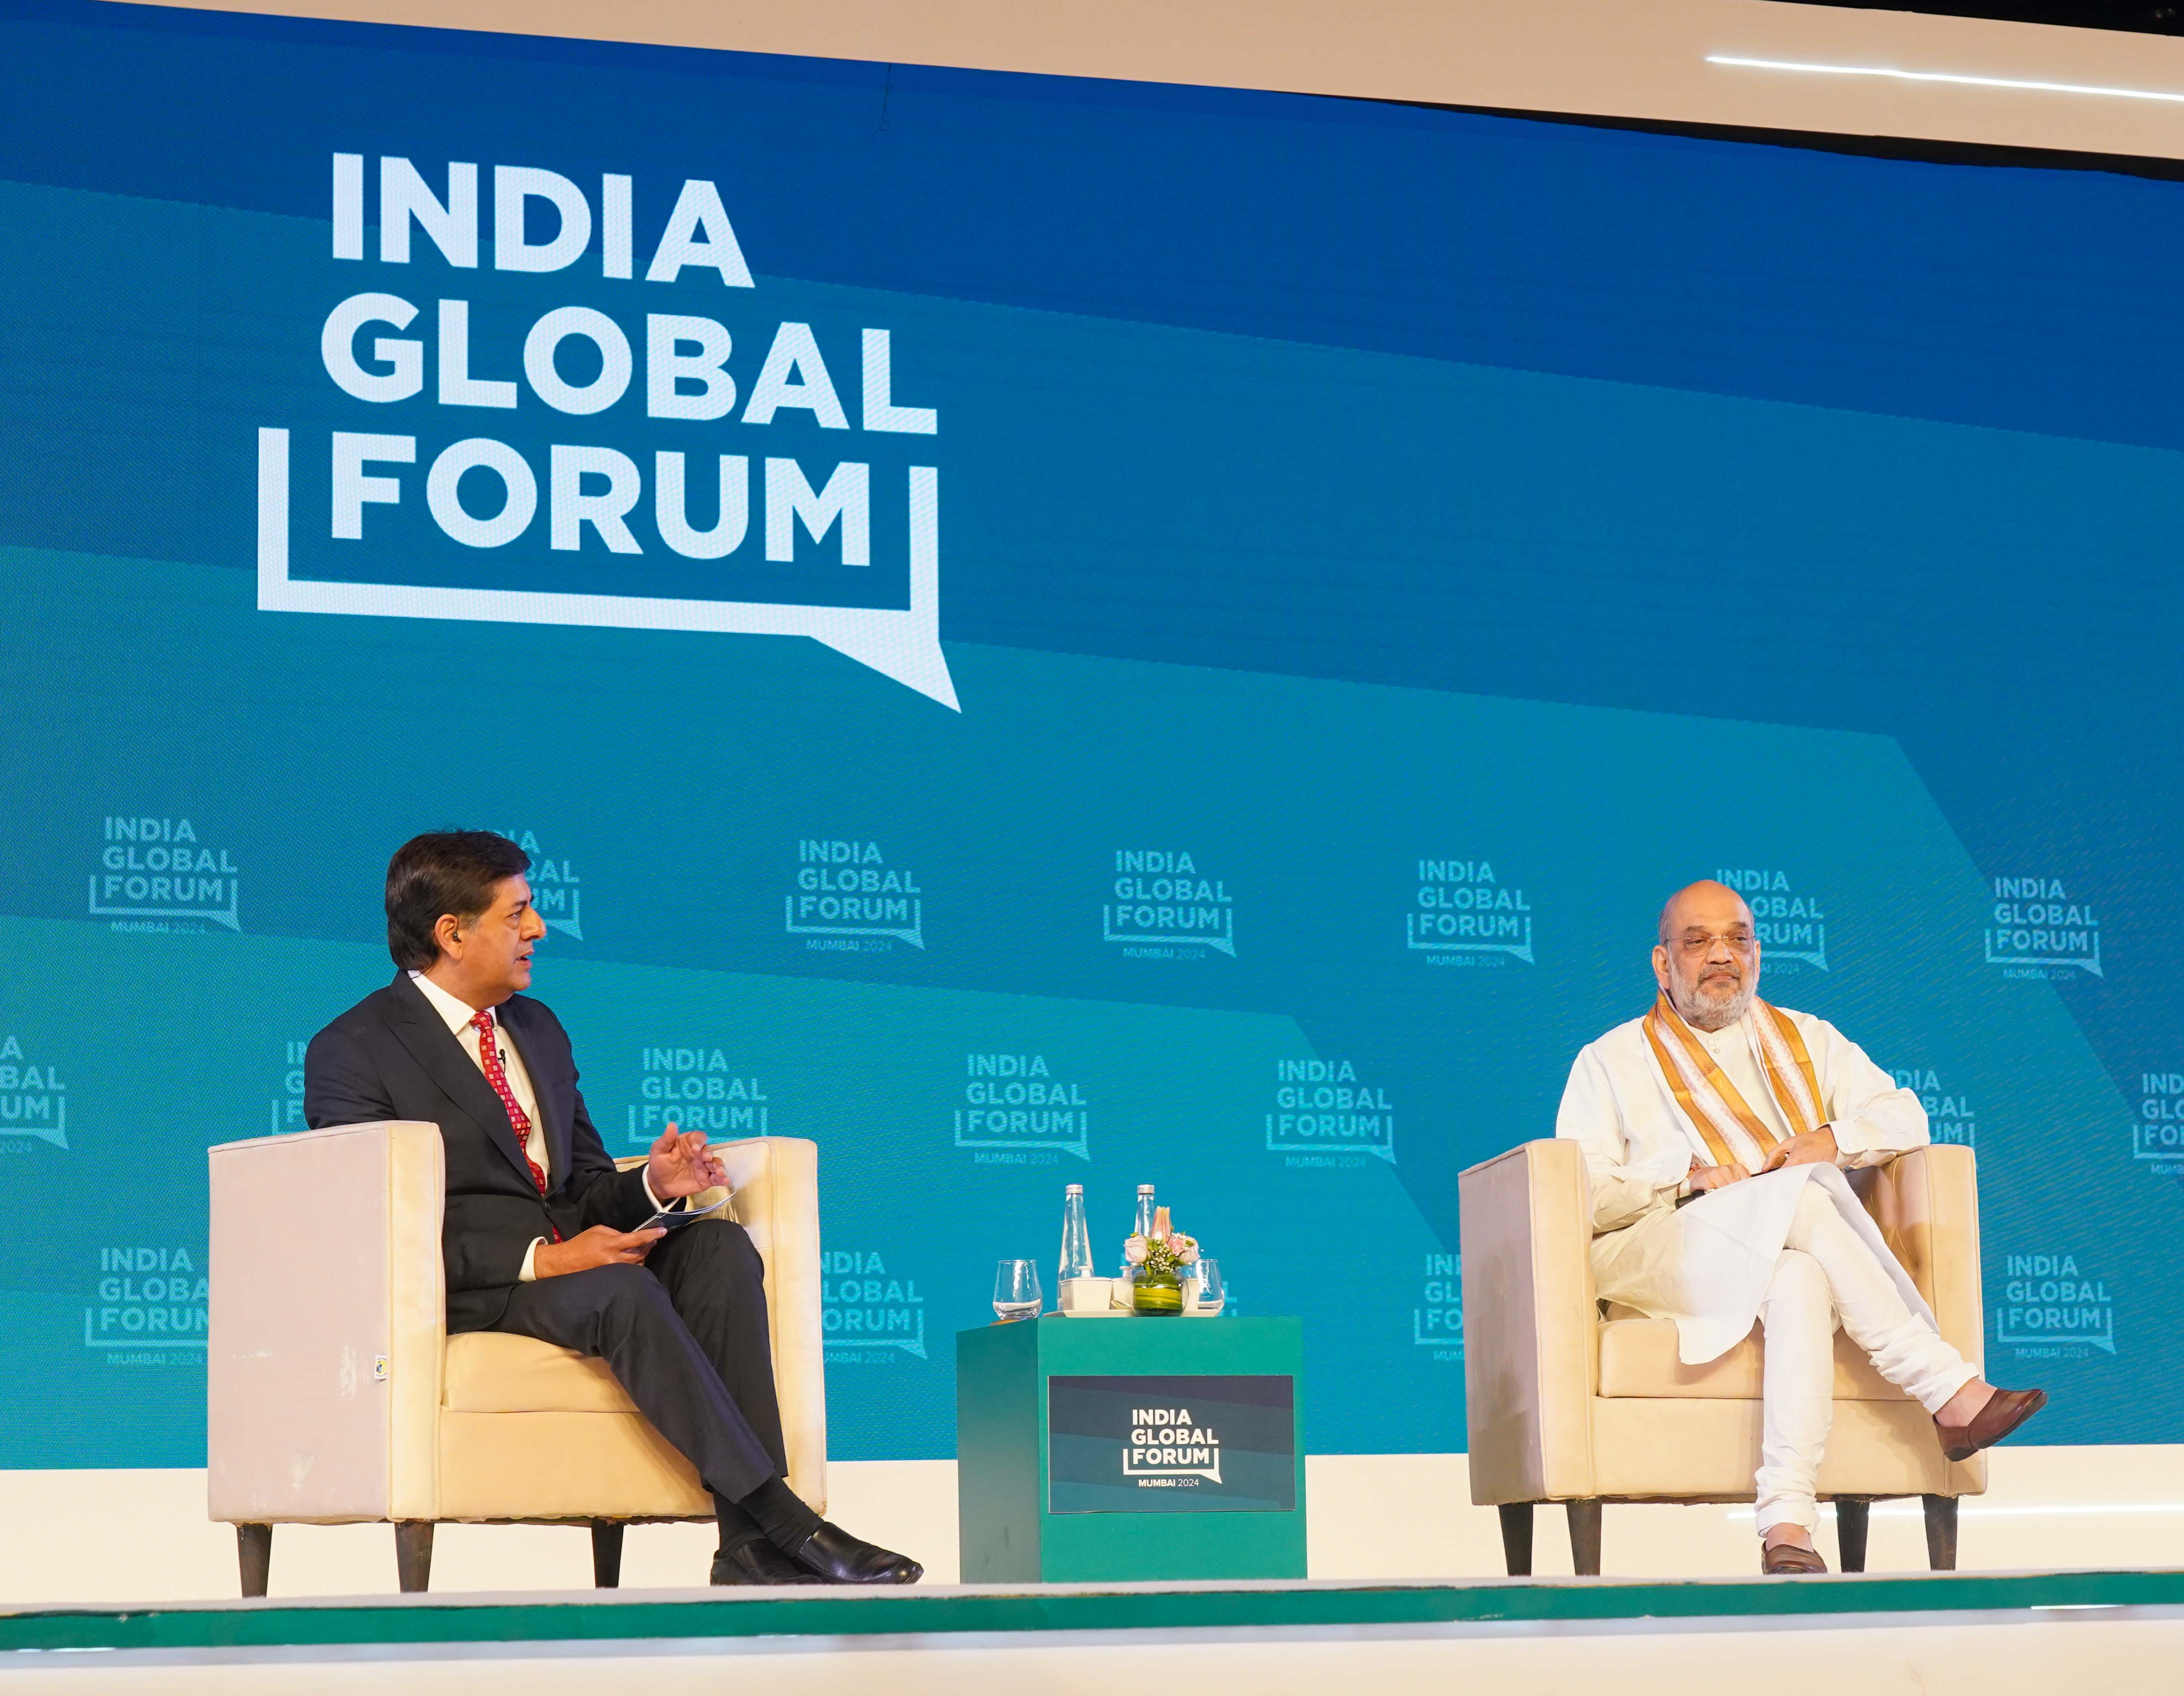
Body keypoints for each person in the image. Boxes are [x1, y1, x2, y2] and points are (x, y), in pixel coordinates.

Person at [304, 830, 920, 1587]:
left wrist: (656, 1185)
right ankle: (788, 1523)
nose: (538, 929)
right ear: (452, 934)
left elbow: (585, 1187)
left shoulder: (537, 1028)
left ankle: (743, 1546)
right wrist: (545, 1260)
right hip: (472, 1289)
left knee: (719, 1248)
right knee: (619, 1292)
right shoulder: (355, 1048)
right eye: (517, 914)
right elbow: (375, 1227)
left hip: (577, 1269)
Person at [1555, 879, 2046, 1575]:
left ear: (1756, 954)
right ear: (1663, 964)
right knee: (1806, 1197)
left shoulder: (1809, 1039)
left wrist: (1832, 1140)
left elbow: (1907, 1116)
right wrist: (1683, 1179)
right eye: (1697, 942)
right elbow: (1584, 1192)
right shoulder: (1609, 1060)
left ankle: (1786, 1525)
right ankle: (1945, 1388)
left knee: (1800, 1275)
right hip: (1658, 1249)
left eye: (1738, 939)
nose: (1721, 955)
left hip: (1772, 1251)